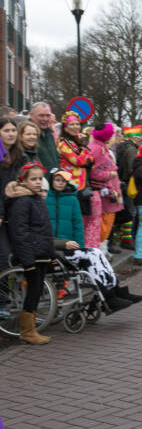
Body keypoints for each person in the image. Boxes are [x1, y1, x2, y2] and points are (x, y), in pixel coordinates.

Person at [46, 169, 142, 311]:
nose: (60, 183)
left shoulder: (72, 199)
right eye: (57, 180)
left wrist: (79, 246)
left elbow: (78, 225)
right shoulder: (45, 200)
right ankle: (109, 296)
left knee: (97, 253)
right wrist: (63, 244)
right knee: (91, 257)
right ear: (51, 181)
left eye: (63, 180)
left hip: (69, 248)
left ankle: (116, 290)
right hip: (54, 249)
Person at [4, 162, 55, 345]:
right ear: (23, 180)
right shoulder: (22, 201)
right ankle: (27, 331)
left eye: (40, 179)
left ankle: (31, 328)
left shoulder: (36, 199)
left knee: (37, 289)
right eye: (33, 179)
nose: (38, 182)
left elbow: (44, 229)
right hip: (31, 254)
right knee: (33, 291)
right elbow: (20, 233)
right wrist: (28, 260)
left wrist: (51, 253)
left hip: (40, 251)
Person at [88, 122, 123, 254]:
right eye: (114, 134)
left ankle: (102, 252)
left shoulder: (102, 148)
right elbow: (93, 172)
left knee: (106, 225)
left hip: (108, 193)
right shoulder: (97, 149)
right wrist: (110, 174)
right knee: (102, 226)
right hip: (103, 194)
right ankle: (100, 254)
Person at [0, 117, 23, 271]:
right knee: (3, 256)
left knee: (15, 256)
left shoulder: (20, 156)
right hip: (1, 214)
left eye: (13, 130)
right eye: (6, 130)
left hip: (15, 212)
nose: (11, 134)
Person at [29, 103, 59, 172]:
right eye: (41, 115)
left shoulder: (49, 133)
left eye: (48, 115)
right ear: (31, 115)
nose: (45, 119)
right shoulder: (26, 135)